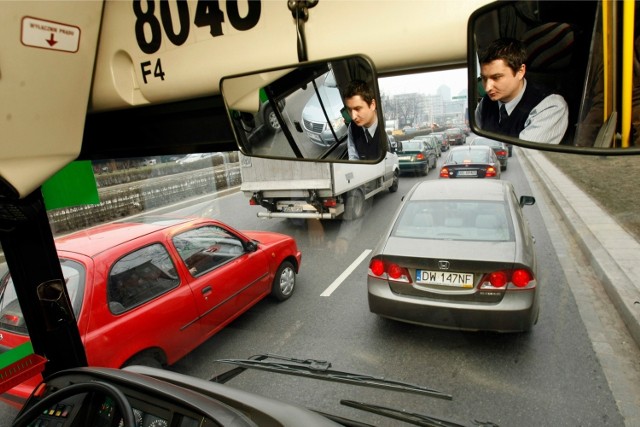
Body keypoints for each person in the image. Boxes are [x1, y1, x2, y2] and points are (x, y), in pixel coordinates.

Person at [475, 37, 569, 145]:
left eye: (496, 77)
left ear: (520, 71)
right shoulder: (485, 104)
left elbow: (522, 156)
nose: (487, 87)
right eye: (484, 78)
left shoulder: (550, 106)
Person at [343, 79, 381, 160]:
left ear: (372, 105)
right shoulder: (352, 127)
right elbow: (353, 157)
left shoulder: (385, 126)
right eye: (349, 110)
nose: (353, 117)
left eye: (358, 109)